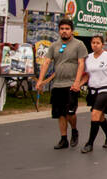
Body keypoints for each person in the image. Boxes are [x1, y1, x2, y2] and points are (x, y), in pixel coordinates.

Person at [34, 18, 87, 150]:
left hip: (71, 84)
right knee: (60, 114)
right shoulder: (54, 46)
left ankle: (74, 130)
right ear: (59, 31)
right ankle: (63, 139)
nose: (64, 31)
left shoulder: (79, 45)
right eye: (62, 29)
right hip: (57, 84)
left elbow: (81, 64)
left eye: (67, 29)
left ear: (72, 31)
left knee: (70, 112)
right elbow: (46, 63)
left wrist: (77, 82)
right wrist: (40, 80)